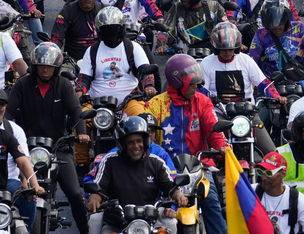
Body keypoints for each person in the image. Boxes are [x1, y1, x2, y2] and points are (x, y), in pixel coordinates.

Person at [5, 43, 88, 233]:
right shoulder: (22, 84)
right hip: (25, 148)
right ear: (34, 65)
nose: (45, 69)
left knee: (75, 194)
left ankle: (85, 230)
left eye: (49, 66)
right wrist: (6, 132)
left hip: (58, 146)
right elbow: (8, 111)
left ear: (56, 68)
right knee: (11, 189)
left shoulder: (64, 85)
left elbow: (76, 111)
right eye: (41, 65)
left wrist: (81, 131)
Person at [144, 55, 228, 234]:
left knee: (212, 202)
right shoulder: (155, 105)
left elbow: (214, 128)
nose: (196, 87)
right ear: (176, 83)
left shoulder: (203, 101)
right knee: (150, 208)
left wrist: (222, 146)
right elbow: (144, 136)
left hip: (199, 166)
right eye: (191, 84)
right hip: (163, 168)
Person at [87, 115, 185, 234]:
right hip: (116, 221)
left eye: (139, 141)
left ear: (145, 141)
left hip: (151, 220)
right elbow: (97, 189)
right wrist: (94, 201)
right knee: (94, 219)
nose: (136, 146)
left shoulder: (156, 162)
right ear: (122, 144)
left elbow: (170, 186)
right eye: (130, 143)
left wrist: (179, 195)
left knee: (171, 222)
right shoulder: (109, 161)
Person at [254, 152, 304, 234]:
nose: (263, 177)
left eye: (269, 173)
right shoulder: (251, 191)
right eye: (261, 172)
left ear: (283, 174)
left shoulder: (297, 198)